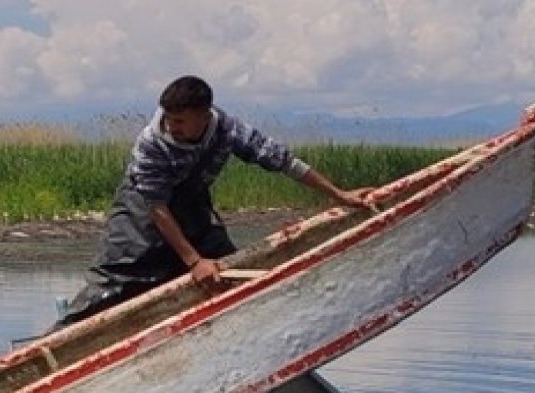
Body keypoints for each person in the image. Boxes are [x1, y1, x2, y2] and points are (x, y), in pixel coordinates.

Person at [55, 75, 376, 328]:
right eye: (169, 119)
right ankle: (57, 339)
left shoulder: (229, 130)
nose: (172, 127)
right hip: (142, 215)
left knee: (230, 271)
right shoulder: (152, 144)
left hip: (193, 209)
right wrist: (194, 262)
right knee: (116, 283)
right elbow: (157, 209)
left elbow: (284, 161)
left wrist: (340, 195)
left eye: (180, 121)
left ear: (203, 116)